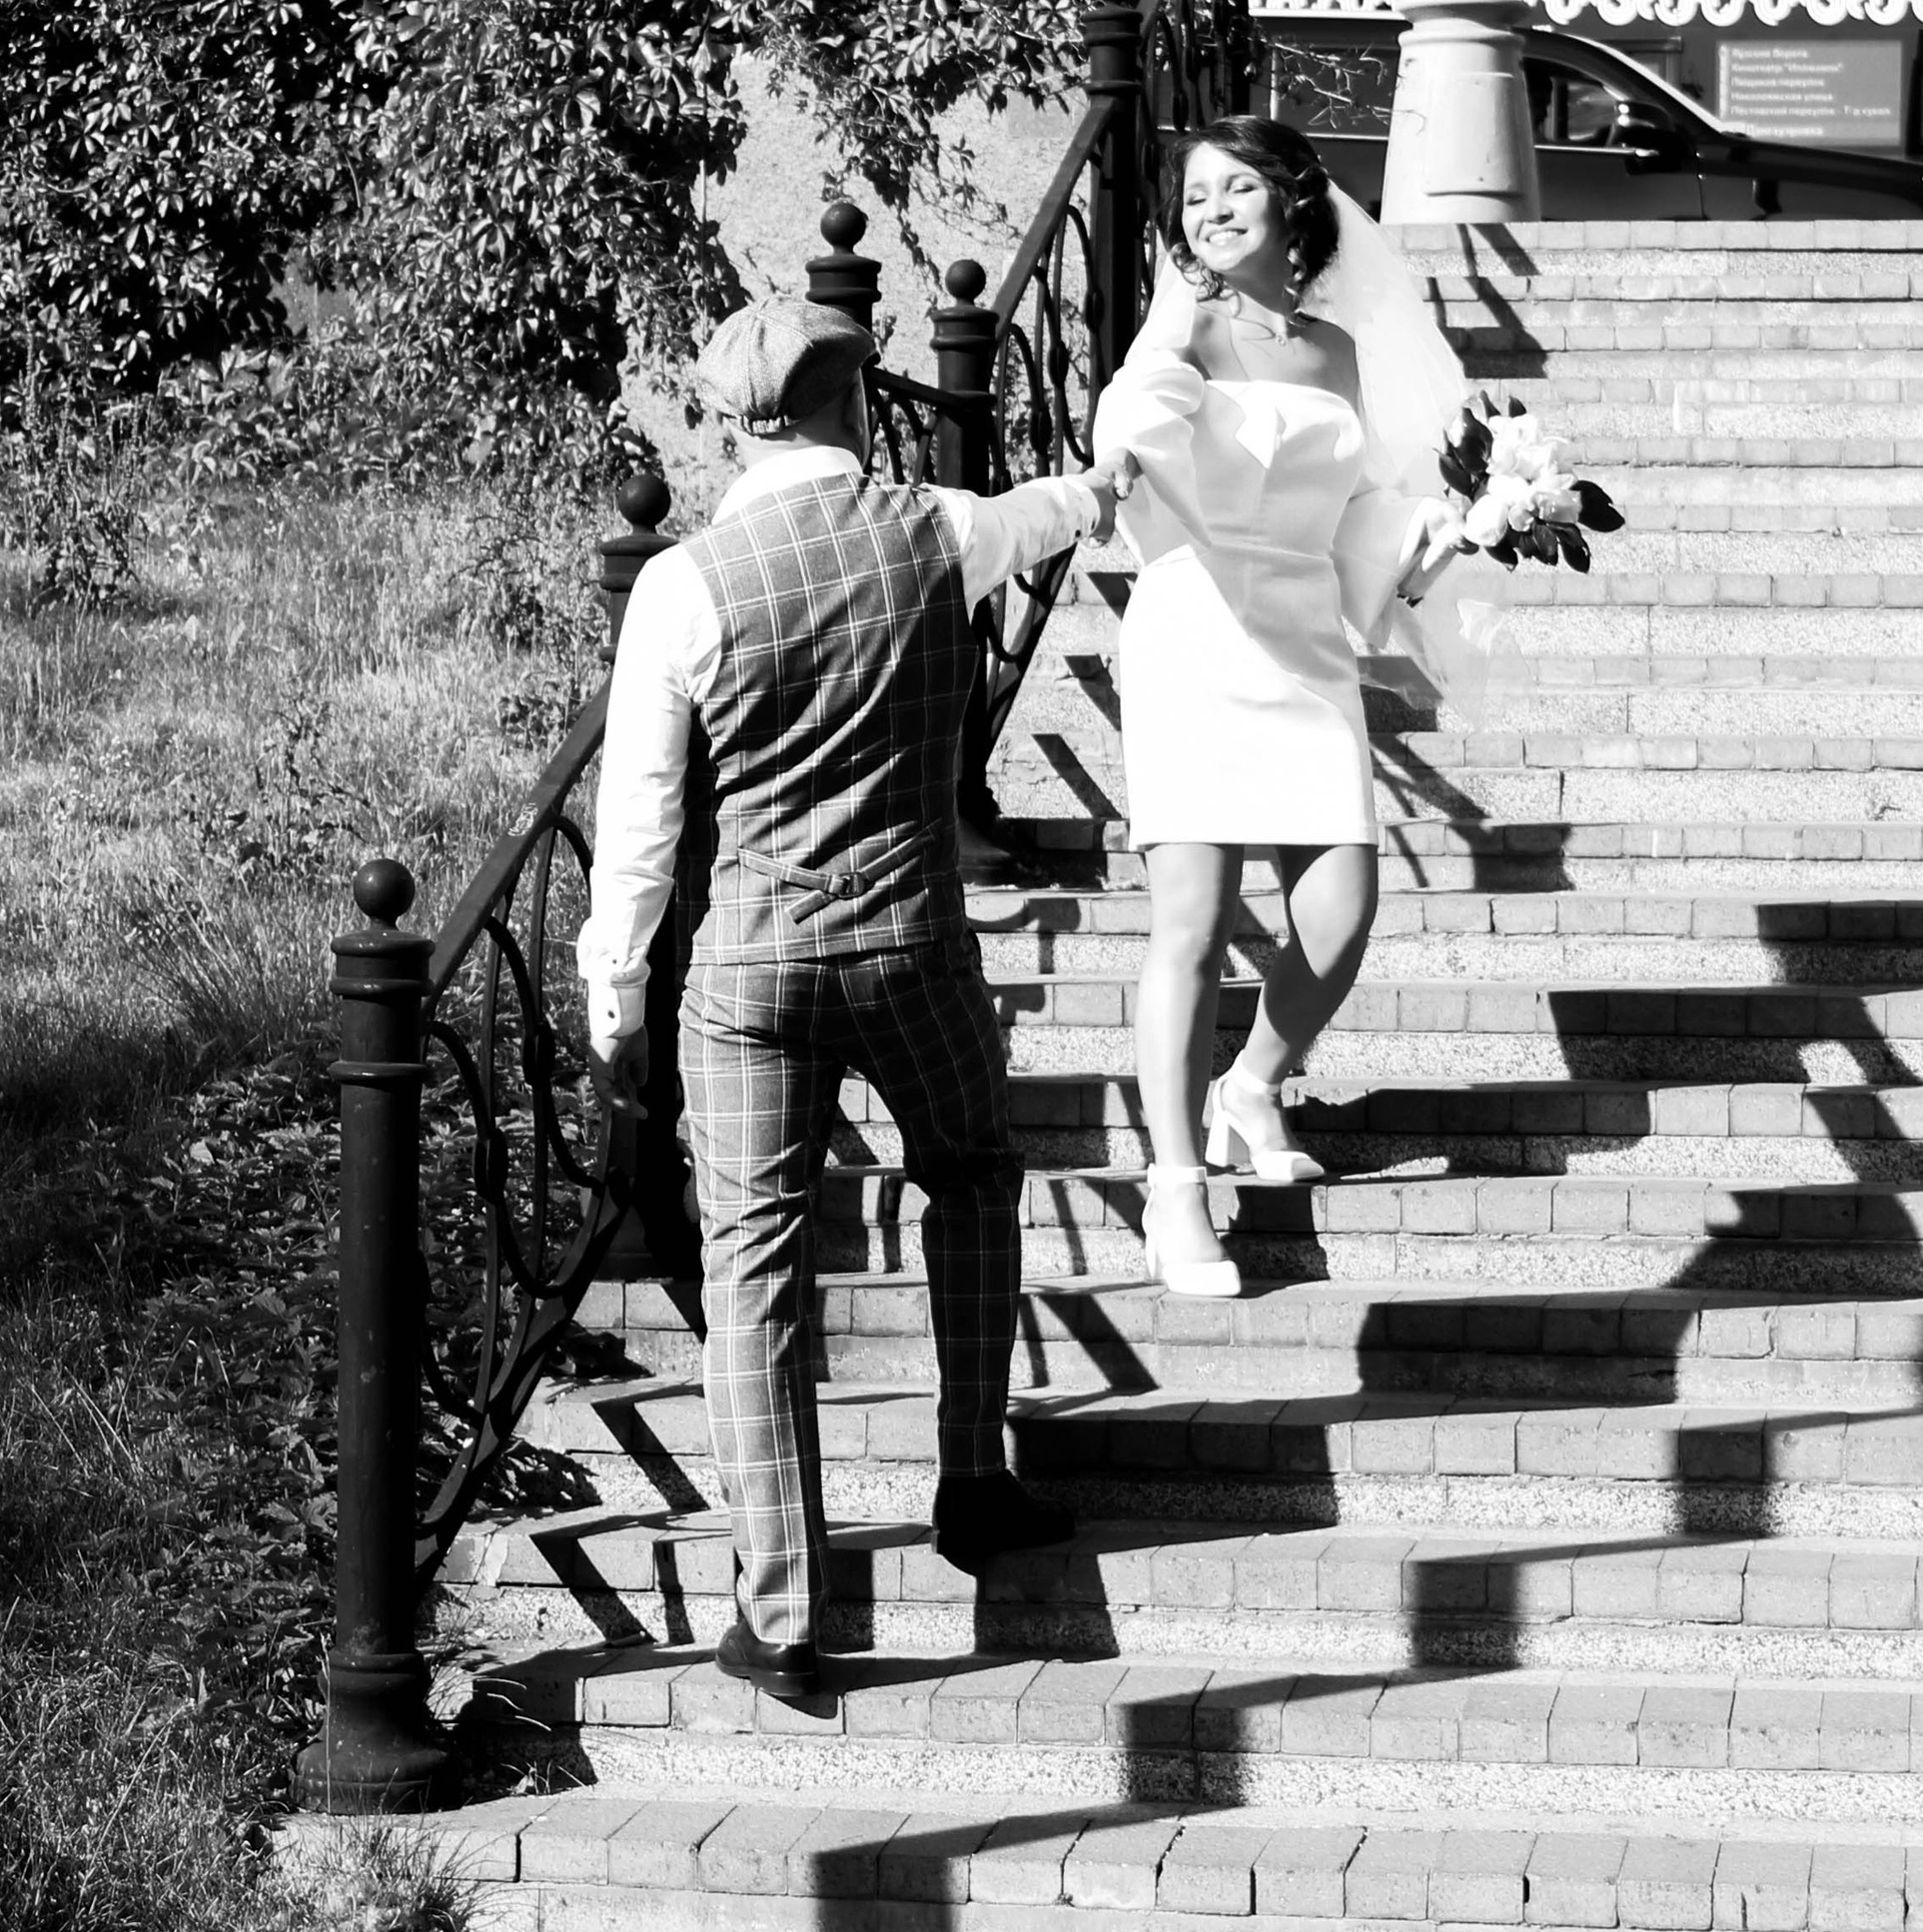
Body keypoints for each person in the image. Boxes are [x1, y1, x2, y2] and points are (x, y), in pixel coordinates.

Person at [575, 296, 1120, 1709]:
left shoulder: (683, 586)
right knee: (977, 1174)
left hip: (749, 973)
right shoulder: (937, 526)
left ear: (734, 420)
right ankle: (971, 1477)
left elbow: (637, 825)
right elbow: (1044, 513)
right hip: (914, 949)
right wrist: (1106, 479)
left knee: (753, 1270)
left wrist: (614, 997)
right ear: (857, 400)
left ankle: (785, 1611)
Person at [1090, 116, 1471, 1298]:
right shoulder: (1186, 323)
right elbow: (1134, 418)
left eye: (1235, 187)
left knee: (1342, 910)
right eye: (1194, 194)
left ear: (1290, 200)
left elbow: (1360, 505)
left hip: (1305, 636)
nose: (1211, 210)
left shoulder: (1340, 351)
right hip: (1195, 623)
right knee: (1192, 923)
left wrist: (1441, 535)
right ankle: (1173, 1188)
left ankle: (1249, 1083)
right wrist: (1150, 363)